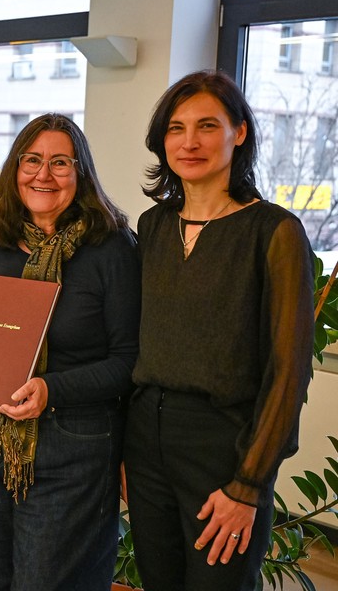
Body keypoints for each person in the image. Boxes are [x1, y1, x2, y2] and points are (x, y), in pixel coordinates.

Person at [124, 70, 314, 590]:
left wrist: (249, 485)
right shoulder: (153, 226)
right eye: (176, 128)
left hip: (224, 445)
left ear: (239, 132)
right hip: (145, 439)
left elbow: (288, 371)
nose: (189, 142)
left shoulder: (274, 231)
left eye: (207, 126)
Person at [0, 113, 140, 590]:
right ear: (15, 169)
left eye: (60, 162)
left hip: (73, 448)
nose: (43, 174)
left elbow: (129, 361)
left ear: (81, 172)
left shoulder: (112, 248)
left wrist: (51, 388)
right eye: (32, 160)